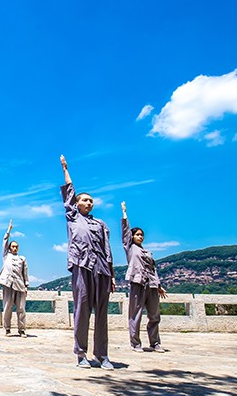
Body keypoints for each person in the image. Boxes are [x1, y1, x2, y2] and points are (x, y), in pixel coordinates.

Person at [60, 155, 115, 370]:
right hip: (81, 265)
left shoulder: (100, 224)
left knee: (101, 313)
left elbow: (107, 250)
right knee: (82, 310)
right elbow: (69, 191)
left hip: (101, 270)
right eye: (85, 200)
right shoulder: (73, 217)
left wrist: (111, 275)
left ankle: (102, 355)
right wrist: (65, 168)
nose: (88, 203)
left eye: (91, 200)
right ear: (76, 203)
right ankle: (81, 353)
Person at [121, 201, 168, 353]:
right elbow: (125, 231)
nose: (140, 237)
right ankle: (135, 343)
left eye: (142, 235)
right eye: (137, 234)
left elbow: (153, 269)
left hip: (151, 285)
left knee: (154, 315)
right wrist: (124, 213)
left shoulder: (147, 252)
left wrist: (159, 285)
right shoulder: (130, 248)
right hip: (137, 283)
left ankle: (155, 343)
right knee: (136, 314)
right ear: (132, 236)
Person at [0, 220, 29, 337]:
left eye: (16, 247)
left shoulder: (22, 258)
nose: (14, 248)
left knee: (21, 308)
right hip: (8, 284)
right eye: (12, 246)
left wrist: (26, 285)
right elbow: (4, 242)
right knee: (7, 307)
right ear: (10, 248)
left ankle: (22, 329)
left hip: (20, 285)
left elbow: (25, 272)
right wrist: (8, 230)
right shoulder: (6, 256)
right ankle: (7, 329)